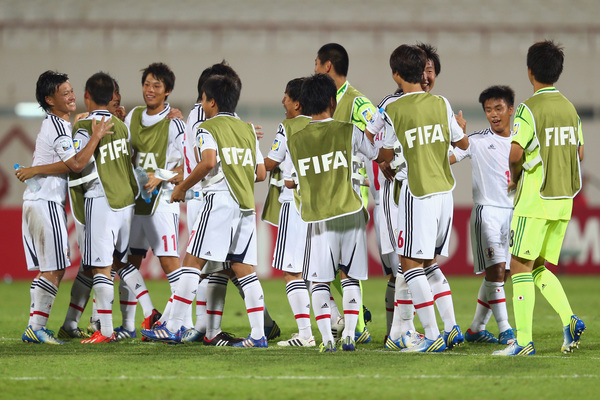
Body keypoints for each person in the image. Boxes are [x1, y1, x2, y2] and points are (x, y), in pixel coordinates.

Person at [142, 74, 268, 348]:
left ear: (211, 101)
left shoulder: (207, 128)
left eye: (203, 99)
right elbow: (260, 174)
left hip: (219, 202)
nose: (201, 104)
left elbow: (208, 162)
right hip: (245, 206)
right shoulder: (248, 130)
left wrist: (182, 187)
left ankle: (172, 326)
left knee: (192, 263)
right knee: (244, 268)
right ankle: (258, 334)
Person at [493, 40, 586, 356]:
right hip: (563, 201)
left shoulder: (528, 109)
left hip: (535, 200)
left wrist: (516, 177)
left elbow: (515, 153)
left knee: (518, 266)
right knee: (537, 267)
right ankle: (569, 319)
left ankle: (522, 342)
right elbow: (579, 153)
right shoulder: (570, 109)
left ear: (530, 70)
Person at [371, 43, 465, 350]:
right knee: (424, 264)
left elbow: (380, 151)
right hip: (440, 194)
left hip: (416, 192)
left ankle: (426, 334)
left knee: (408, 265)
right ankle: (435, 329)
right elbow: (464, 144)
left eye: (431, 71)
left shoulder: (396, 109)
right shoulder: (440, 104)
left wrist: (385, 154)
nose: (427, 76)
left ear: (397, 74)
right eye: (425, 70)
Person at [17, 70, 113, 344]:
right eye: (65, 93)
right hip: (46, 202)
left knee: (49, 268)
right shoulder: (58, 127)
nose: (71, 96)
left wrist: (35, 168)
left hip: (36, 200)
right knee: (55, 268)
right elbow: (77, 164)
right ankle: (36, 328)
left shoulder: (57, 124)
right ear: (50, 99)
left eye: (71, 91)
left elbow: (62, 157)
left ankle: (34, 327)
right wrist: (96, 136)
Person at [287, 73, 377, 352]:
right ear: (332, 101)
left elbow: (291, 180)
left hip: (318, 218)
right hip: (350, 212)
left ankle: (327, 339)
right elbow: (374, 152)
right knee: (350, 276)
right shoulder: (349, 130)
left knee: (319, 281)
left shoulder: (295, 140)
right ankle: (349, 333)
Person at [60, 72, 139, 343]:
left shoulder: (84, 127)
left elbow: (77, 163)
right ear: (112, 97)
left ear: (87, 96)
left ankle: (104, 330)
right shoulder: (122, 127)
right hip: (125, 203)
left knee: (100, 267)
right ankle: (72, 322)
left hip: (100, 200)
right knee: (101, 265)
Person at [314, 43, 376, 343]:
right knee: (333, 262)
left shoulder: (357, 102)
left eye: (316, 63)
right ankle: (356, 315)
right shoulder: (323, 100)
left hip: (351, 190)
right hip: (327, 191)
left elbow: (378, 135)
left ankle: (358, 327)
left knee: (345, 262)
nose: (314, 69)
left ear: (327, 65)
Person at [450, 85, 517, 345]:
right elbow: (447, 158)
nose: (494, 115)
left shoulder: (521, 142)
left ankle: (476, 328)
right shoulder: (476, 141)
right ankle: (505, 329)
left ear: (510, 109)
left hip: (513, 214)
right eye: (488, 110)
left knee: (500, 274)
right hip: (487, 213)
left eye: (498, 108)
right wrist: (454, 135)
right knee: (497, 271)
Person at [123, 62, 186, 333]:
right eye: (147, 84)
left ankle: (183, 324)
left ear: (167, 90)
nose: (150, 90)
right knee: (128, 262)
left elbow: (189, 166)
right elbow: (124, 154)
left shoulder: (175, 124)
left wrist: (160, 175)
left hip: (162, 202)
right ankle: (129, 324)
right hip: (135, 202)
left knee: (169, 263)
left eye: (156, 86)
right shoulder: (133, 117)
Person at [263, 77, 315, 347]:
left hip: (294, 204)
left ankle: (305, 334)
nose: (282, 101)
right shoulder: (321, 125)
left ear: (297, 103)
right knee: (315, 272)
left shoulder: (288, 127)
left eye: (286, 96)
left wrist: (245, 152)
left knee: (292, 272)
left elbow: (269, 164)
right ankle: (336, 322)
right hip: (321, 207)